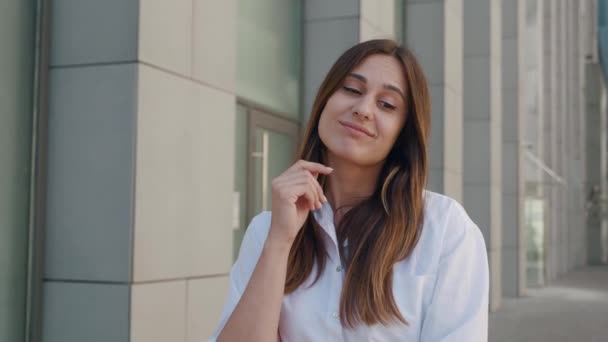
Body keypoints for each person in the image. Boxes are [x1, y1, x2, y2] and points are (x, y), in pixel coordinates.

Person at [210, 39, 489, 341]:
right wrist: (279, 243)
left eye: (387, 105)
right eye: (352, 90)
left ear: (402, 133)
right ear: (324, 102)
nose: (363, 109)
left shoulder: (444, 228)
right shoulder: (267, 230)